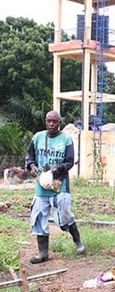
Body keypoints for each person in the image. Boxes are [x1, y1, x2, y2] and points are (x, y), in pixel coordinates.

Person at [25, 110, 84, 263]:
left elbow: (70, 161)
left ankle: (77, 241)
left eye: (54, 121)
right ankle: (43, 252)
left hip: (60, 185)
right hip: (41, 186)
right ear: (45, 122)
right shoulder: (37, 137)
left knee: (63, 215)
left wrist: (58, 169)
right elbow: (29, 156)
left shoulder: (66, 139)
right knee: (39, 216)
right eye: (48, 121)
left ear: (59, 123)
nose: (51, 124)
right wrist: (32, 166)